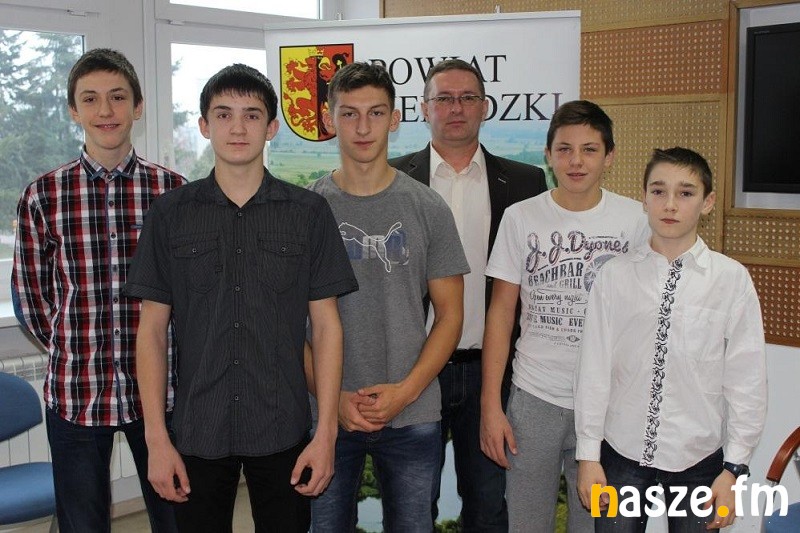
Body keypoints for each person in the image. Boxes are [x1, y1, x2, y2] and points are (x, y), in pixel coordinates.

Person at [125, 64, 357, 533]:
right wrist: (156, 440)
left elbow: (327, 327)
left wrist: (326, 433)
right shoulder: (170, 215)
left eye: (252, 115)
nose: (237, 127)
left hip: (283, 427)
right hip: (198, 427)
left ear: (271, 128)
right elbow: (151, 332)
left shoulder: (309, 213)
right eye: (224, 114)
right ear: (204, 125)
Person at [11, 48, 184, 533]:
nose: (105, 110)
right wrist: (71, 344)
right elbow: (31, 296)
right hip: (76, 392)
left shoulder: (173, 192)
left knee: (177, 518)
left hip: (163, 394)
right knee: (82, 525)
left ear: (138, 106)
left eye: (117, 97)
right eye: (90, 99)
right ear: (74, 110)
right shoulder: (43, 195)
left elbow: (190, 295)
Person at [306, 61, 470, 532]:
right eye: (349, 113)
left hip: (412, 412)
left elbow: (450, 317)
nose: (363, 127)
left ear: (395, 119)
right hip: (327, 414)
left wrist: (406, 391)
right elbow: (290, 326)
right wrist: (331, 397)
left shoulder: (428, 207)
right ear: (329, 119)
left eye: (376, 113)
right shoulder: (307, 212)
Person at [390, 58, 547, 531]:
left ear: (484, 107)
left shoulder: (525, 183)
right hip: (415, 370)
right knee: (413, 509)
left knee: (488, 507)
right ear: (423, 108)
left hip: (491, 372)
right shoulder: (393, 179)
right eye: (443, 98)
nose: (455, 108)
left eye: (467, 98)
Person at [574, 147, 767, 532]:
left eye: (686, 193)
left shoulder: (730, 280)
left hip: (700, 458)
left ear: (707, 202)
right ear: (644, 198)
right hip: (621, 453)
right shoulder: (614, 276)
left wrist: (734, 469)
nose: (670, 204)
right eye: (659, 191)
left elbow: (746, 380)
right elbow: (593, 369)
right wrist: (588, 455)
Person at [480, 100, 650, 532]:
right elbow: (501, 313)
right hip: (533, 396)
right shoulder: (521, 218)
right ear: (548, 155)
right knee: (526, 523)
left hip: (609, 403)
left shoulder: (636, 220)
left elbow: (645, 319)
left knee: (595, 524)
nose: (576, 161)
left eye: (589, 149)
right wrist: (490, 405)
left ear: (609, 156)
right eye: (564, 149)